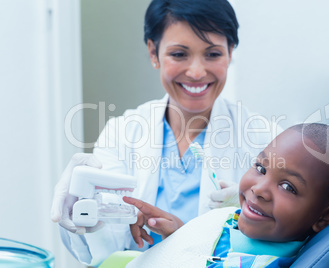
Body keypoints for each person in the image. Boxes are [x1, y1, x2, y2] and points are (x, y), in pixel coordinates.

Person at [50, 0, 280, 266]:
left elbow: (285, 248)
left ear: (230, 52)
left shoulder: (266, 140)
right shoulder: (122, 135)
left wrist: (229, 225)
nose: (196, 71)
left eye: (213, 54)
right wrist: (81, 203)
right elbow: (98, 251)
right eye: (179, 54)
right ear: (153, 52)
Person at [121, 123, 329, 267]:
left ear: (323, 218)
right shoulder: (235, 220)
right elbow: (208, 251)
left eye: (288, 187)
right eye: (261, 168)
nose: (260, 189)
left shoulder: (263, 263)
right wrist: (183, 235)